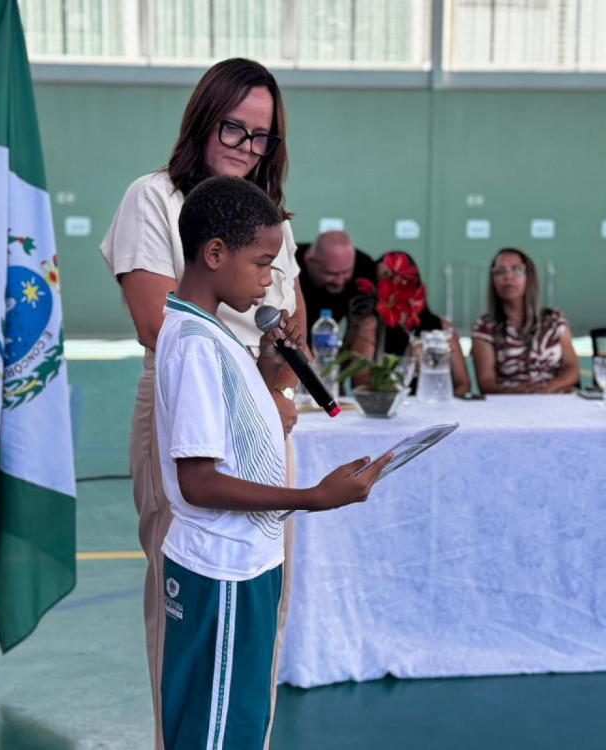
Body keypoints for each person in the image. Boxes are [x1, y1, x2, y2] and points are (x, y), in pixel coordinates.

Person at [98, 58, 306, 749]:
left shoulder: (271, 218)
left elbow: (291, 320)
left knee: (260, 608)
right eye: (234, 128)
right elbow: (161, 323)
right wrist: (261, 372)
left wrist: (277, 380)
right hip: (189, 409)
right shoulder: (153, 198)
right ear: (202, 116)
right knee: (190, 617)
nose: (246, 147)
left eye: (261, 137)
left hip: (266, 410)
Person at [157, 176, 389, 749]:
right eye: (263, 263)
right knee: (216, 732)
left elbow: (235, 432)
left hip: (243, 563)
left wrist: (270, 367)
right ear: (215, 254)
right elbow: (199, 480)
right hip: (222, 569)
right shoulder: (194, 344)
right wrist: (312, 498)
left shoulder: (212, 335)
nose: (270, 280)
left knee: (239, 721)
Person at [347, 251, 472, 396]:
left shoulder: (442, 327)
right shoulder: (371, 326)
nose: (392, 283)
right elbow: (361, 382)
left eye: (398, 276)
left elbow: (463, 383)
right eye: (384, 278)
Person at [471, 248, 580, 394]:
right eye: (499, 271)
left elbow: (572, 369)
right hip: (509, 407)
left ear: (529, 276)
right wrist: (515, 394)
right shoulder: (485, 327)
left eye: (516, 269)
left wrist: (547, 390)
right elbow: (485, 382)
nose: (508, 276)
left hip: (556, 401)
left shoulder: (554, 320)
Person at [295, 230, 377, 332]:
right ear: (310, 261)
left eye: (346, 272)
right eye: (331, 274)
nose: (339, 282)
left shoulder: (364, 267)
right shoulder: (289, 264)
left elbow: (366, 321)